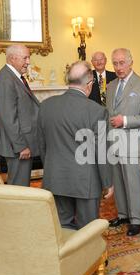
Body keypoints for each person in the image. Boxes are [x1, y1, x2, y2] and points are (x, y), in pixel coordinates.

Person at [38, 61, 114, 230]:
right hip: (85, 181)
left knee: (61, 228)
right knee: (88, 230)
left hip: (55, 178)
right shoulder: (97, 111)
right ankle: (88, 257)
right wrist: (107, 182)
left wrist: (51, 167)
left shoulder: (45, 106)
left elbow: (42, 145)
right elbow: (101, 152)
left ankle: (66, 256)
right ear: (89, 84)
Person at [106, 48, 140, 236]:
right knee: (117, 181)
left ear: (130, 62)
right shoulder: (110, 86)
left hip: (131, 143)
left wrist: (124, 121)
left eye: (122, 62)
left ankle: (136, 220)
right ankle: (124, 214)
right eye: (115, 63)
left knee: (133, 182)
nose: (118, 67)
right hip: (113, 142)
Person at [0, 44, 40, 186]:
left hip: (20, 141)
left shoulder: (15, 76)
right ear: (12, 58)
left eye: (28, 57)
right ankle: (17, 209)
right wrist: (21, 146)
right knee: (19, 184)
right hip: (16, 145)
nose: (28, 62)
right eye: (25, 58)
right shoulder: (6, 78)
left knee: (21, 183)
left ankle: (20, 208)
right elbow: (8, 117)